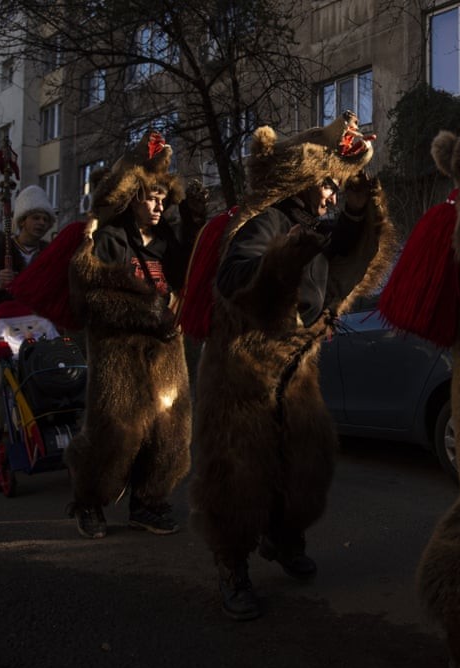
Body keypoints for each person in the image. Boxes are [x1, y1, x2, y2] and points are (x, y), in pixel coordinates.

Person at [186, 111, 396, 620]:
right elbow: (238, 280)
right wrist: (282, 258)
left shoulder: (310, 221)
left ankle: (283, 539)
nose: (330, 194)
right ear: (303, 180)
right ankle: (232, 566)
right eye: (328, 184)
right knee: (240, 472)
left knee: (304, 459)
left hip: (295, 371)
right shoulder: (263, 221)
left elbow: (344, 251)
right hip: (243, 375)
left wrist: (355, 210)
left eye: (336, 186)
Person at [63, 132, 202, 540]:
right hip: (118, 355)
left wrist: (194, 219)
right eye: (151, 198)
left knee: (169, 432)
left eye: (163, 199)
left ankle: (149, 503)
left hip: (165, 352)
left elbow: (189, 274)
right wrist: (149, 312)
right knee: (116, 431)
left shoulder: (165, 242)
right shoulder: (110, 241)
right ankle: (89, 501)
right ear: (133, 199)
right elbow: (95, 298)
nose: (159, 206)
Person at [0, 185, 55, 471]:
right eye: (35, 218)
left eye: (45, 219)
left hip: (35, 328)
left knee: (37, 384)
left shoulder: (46, 252)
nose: (40, 223)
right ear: (21, 220)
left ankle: (34, 441)